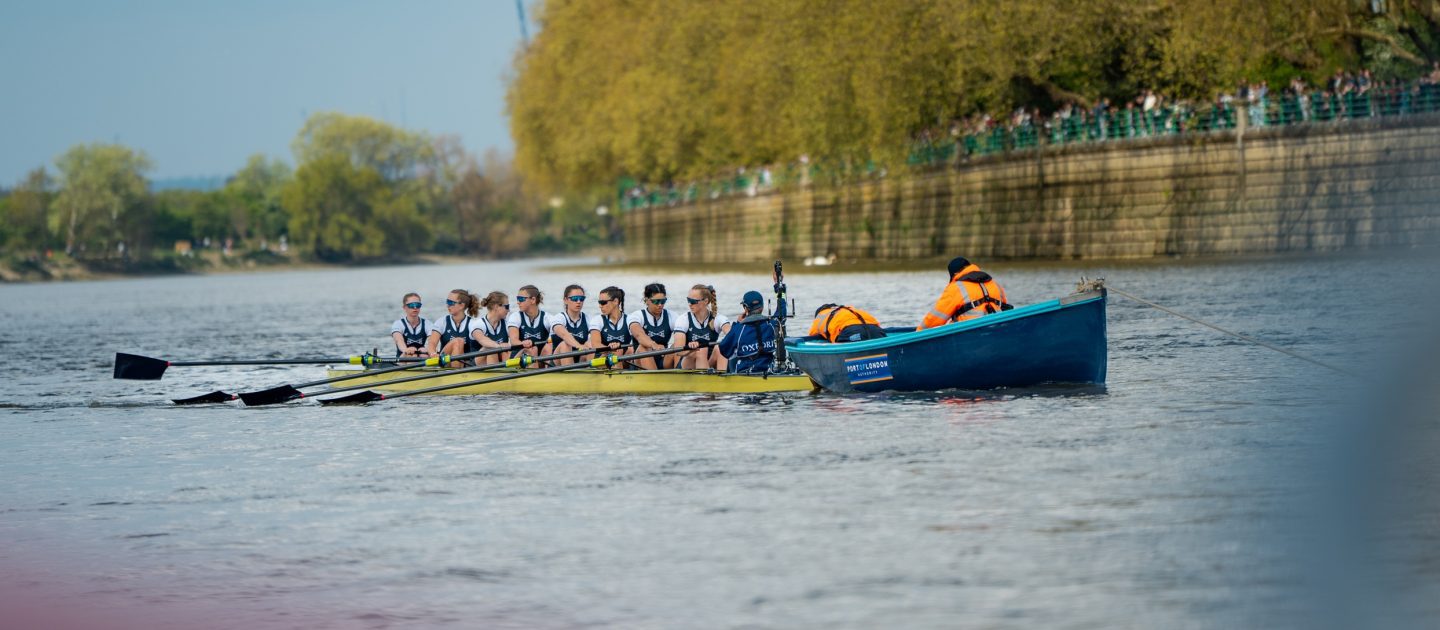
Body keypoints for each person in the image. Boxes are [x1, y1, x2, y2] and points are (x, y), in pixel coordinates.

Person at [919, 256, 1012, 330]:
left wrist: (918, 332)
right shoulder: (996, 285)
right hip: (997, 330)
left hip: (970, 336)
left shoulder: (956, 288)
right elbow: (1005, 310)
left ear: (954, 274)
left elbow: (934, 319)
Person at [718, 290, 778, 374]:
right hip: (768, 371)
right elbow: (782, 310)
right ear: (762, 307)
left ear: (745, 308)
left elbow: (724, 350)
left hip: (744, 375)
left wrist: (737, 324)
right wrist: (780, 289)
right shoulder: (772, 324)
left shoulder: (738, 329)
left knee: (734, 356)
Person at [675, 284, 731, 371]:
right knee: (700, 350)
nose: (690, 304)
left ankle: (722, 379)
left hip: (709, 362)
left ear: (705, 301)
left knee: (720, 347)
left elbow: (731, 334)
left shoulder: (718, 318)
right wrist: (690, 349)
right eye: (688, 300)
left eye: (693, 301)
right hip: (688, 363)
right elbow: (678, 351)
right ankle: (706, 380)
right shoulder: (683, 319)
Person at [627, 282, 681, 369]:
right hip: (639, 363)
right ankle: (654, 380)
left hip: (662, 360)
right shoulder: (636, 316)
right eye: (656, 301)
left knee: (678, 345)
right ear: (647, 300)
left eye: (663, 301)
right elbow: (639, 335)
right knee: (643, 347)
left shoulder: (672, 316)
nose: (660, 305)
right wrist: (653, 345)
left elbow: (683, 334)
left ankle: (680, 376)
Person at [425, 289, 481, 367]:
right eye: (447, 301)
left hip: (466, 363)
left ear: (462, 306)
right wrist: (433, 353)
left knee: (459, 341)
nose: (448, 305)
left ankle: (457, 372)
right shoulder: (442, 322)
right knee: (458, 341)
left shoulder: (473, 324)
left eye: (451, 303)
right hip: (444, 361)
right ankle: (456, 374)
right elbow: (432, 343)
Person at [507, 284, 556, 365]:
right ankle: (535, 373)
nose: (518, 302)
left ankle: (547, 372)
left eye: (521, 299)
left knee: (549, 347)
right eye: (517, 298)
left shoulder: (548, 318)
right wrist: (522, 344)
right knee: (532, 349)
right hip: (519, 358)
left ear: (533, 300)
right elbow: (513, 341)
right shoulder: (516, 317)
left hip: (540, 358)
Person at [549, 284, 594, 365]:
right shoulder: (558, 318)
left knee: (590, 343)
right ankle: (570, 373)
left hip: (580, 360)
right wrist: (579, 346)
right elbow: (565, 335)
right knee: (566, 344)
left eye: (582, 299)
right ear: (565, 300)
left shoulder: (588, 319)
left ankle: (589, 372)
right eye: (574, 299)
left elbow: (595, 338)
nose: (578, 302)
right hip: (558, 363)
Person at [588, 286, 633, 365]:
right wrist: (611, 348)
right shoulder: (598, 320)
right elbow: (595, 344)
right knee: (617, 351)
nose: (600, 306)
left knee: (630, 350)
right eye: (599, 302)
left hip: (623, 358)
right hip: (601, 359)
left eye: (603, 302)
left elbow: (636, 343)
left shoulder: (630, 320)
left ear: (615, 301)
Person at [809, 304, 886, 343]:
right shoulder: (848, 309)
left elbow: (811, 339)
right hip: (875, 329)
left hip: (850, 331)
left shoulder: (820, 316)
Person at [389, 292, 433, 358]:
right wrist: (406, 350)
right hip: (402, 359)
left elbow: (431, 341)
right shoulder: (398, 324)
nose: (415, 307)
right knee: (412, 352)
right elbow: (399, 340)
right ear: (404, 307)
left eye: (418, 305)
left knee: (423, 351)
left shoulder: (427, 324)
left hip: (421, 357)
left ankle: (420, 365)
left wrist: (431, 350)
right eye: (411, 305)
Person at [473, 291, 511, 365]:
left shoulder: (506, 323)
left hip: (498, 360)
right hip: (477, 364)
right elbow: (483, 340)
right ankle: (498, 374)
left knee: (505, 350)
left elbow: (514, 340)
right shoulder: (479, 324)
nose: (508, 310)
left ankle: (507, 373)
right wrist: (500, 346)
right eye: (507, 307)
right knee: (491, 348)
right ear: (496, 307)